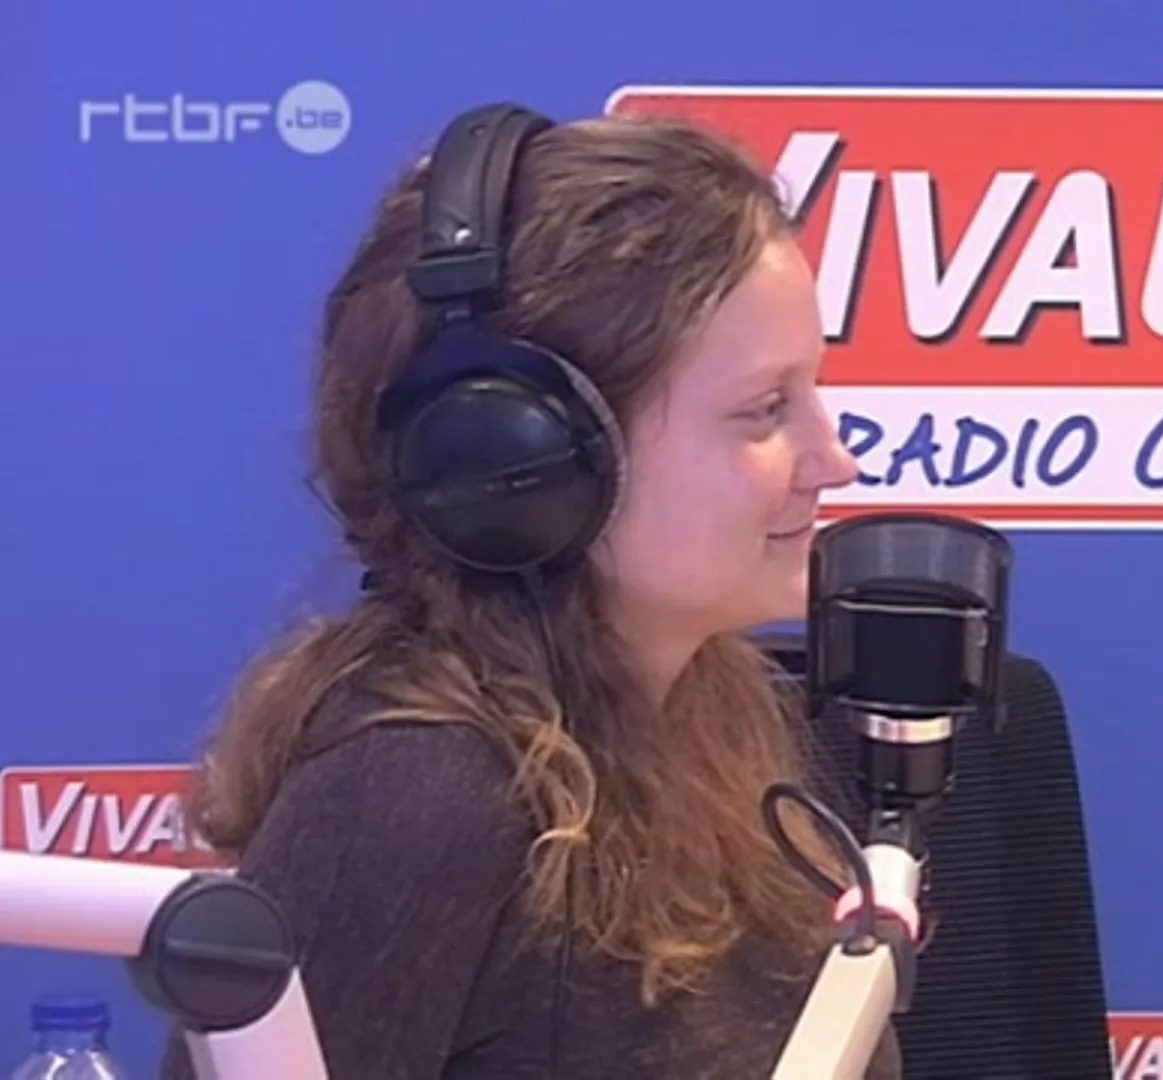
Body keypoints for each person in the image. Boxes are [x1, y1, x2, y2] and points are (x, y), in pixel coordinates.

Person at [158, 105, 901, 1079]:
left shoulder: (716, 717)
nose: (835, 460)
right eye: (765, 410)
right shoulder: (414, 797)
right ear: (527, 457)